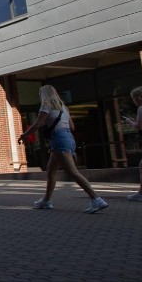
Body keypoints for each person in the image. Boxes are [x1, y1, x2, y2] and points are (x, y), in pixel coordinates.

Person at [18, 85, 108, 214]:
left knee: (72, 172)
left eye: (40, 93)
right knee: (51, 171)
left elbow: (37, 124)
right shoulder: (64, 108)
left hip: (58, 139)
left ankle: (96, 199)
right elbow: (72, 127)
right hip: (67, 138)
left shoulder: (46, 105)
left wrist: (24, 134)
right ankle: (46, 201)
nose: (39, 96)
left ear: (44, 94)